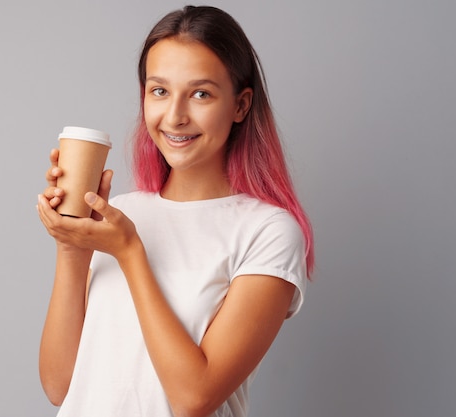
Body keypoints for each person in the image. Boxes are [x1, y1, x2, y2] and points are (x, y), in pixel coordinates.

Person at [36, 5, 314, 417]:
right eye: (159, 91)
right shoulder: (119, 216)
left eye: (201, 93)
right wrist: (72, 247)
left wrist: (131, 253)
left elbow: (194, 398)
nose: (175, 116)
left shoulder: (269, 232)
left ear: (240, 105)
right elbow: (60, 386)